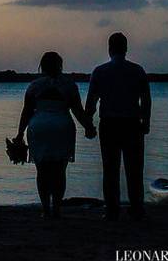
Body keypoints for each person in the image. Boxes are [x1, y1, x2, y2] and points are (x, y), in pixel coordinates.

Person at [15, 51, 96, 218]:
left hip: (40, 127)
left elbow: (27, 112)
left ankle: (45, 209)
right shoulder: (69, 86)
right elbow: (77, 111)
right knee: (60, 170)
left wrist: (19, 133)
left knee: (42, 170)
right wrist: (89, 127)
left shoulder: (34, 86)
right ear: (60, 65)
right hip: (62, 126)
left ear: (42, 66)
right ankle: (57, 208)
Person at [85, 32, 151, 221]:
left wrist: (88, 123)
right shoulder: (137, 71)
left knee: (110, 168)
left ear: (109, 48)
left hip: (110, 124)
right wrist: (146, 122)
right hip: (132, 124)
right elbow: (146, 100)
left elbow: (92, 101)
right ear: (126, 48)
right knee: (135, 169)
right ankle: (137, 207)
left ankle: (112, 209)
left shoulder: (100, 71)